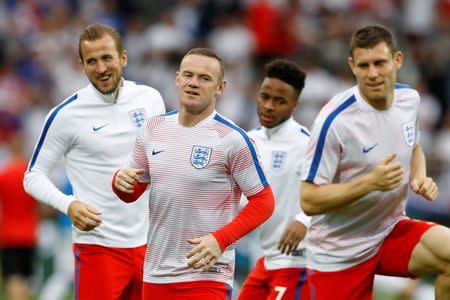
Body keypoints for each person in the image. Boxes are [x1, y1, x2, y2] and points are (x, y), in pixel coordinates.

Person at [113, 47, 275, 300]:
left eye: (204, 78)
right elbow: (131, 192)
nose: (193, 83)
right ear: (177, 78)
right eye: (188, 75)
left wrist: (220, 240)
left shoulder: (232, 139)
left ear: (220, 87)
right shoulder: (152, 129)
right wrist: (118, 182)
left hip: (207, 274)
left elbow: (264, 202)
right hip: (156, 272)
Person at [300, 25, 449, 300]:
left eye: (380, 63)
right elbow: (309, 199)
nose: (372, 74)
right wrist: (370, 183)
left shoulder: (410, 100)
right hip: (339, 251)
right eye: (364, 65)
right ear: (352, 66)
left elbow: (413, 145)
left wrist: (419, 176)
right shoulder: (335, 121)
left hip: (388, 231)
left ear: (398, 60)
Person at [23, 23, 165, 300]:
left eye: (106, 58)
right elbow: (33, 175)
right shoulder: (66, 115)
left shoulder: (151, 99)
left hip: (149, 244)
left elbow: (158, 162)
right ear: (81, 64)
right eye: (91, 61)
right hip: (98, 246)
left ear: (123, 57)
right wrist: (69, 204)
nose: (100, 68)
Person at [237, 59, 310, 300]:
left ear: (295, 104)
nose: (268, 106)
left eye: (279, 101)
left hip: (299, 260)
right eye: (264, 96)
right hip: (267, 258)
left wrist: (304, 221)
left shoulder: (306, 144)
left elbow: (330, 192)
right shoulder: (248, 140)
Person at [0, 118, 40, 300]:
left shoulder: (4, 175)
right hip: (30, 233)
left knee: (13, 278)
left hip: (9, 234)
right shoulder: (31, 176)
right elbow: (41, 206)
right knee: (26, 278)